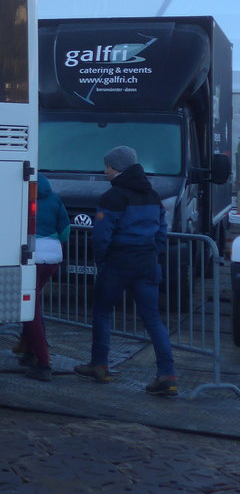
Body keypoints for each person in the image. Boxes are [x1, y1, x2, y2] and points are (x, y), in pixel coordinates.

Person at [74, 146, 178, 396]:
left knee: (102, 312)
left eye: (107, 167)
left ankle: (99, 365)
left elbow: (101, 236)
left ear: (117, 168)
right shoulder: (152, 195)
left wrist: (103, 261)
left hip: (118, 262)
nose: (105, 172)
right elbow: (162, 230)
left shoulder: (113, 197)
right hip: (147, 262)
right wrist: (154, 252)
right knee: (152, 319)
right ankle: (168, 375)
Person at [18, 174, 70, 381]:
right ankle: (28, 350)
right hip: (53, 256)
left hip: (33, 254)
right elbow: (65, 229)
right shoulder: (55, 199)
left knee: (31, 309)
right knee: (34, 301)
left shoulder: (22, 197)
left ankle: (43, 362)